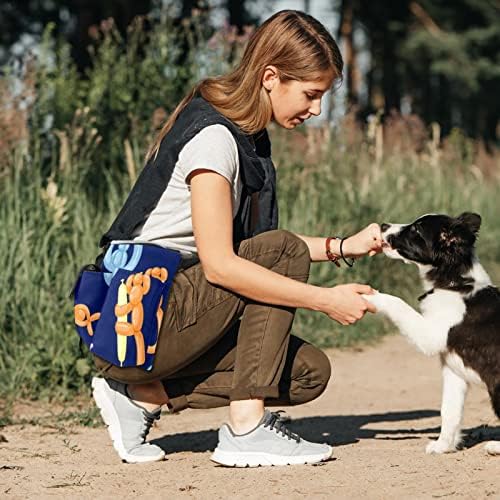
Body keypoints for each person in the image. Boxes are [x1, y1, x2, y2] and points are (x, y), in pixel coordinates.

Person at [90, 9, 382, 467]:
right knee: (280, 249)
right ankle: (246, 431)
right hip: (136, 316)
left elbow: (255, 251)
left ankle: (143, 393)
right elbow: (223, 265)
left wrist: (343, 246)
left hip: (162, 317)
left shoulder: (244, 136)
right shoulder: (215, 138)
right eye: (310, 94)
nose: (316, 110)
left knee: (308, 373)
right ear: (270, 77)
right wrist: (323, 299)